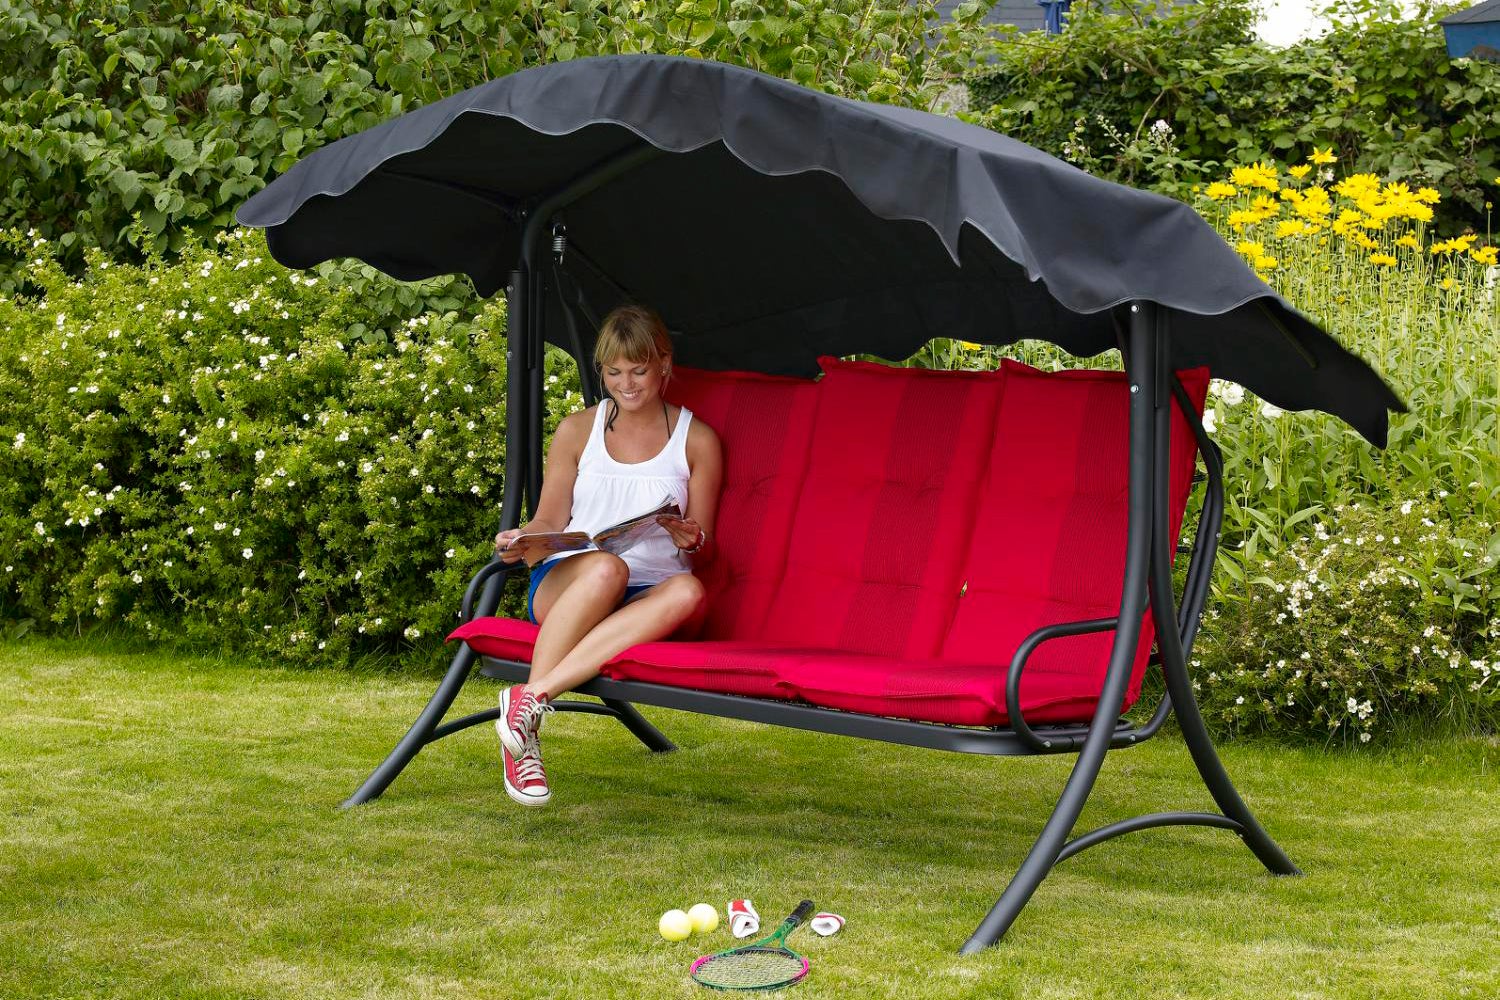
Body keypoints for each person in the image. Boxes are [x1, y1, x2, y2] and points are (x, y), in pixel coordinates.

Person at [490, 304, 722, 806]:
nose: (627, 385)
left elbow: (704, 551)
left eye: (639, 370)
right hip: (573, 584)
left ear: (664, 363)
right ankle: (528, 730)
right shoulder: (577, 430)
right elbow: (550, 519)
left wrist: (692, 539)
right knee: (606, 566)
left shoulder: (698, 440)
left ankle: (530, 699)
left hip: (646, 597)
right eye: (614, 372)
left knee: (689, 589)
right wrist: (522, 538)